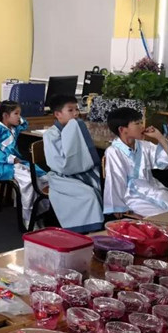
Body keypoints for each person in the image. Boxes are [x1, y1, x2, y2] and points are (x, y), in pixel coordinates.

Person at [42, 95, 103, 233]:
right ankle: (86, 230)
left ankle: (103, 223)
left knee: (104, 184)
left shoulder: (76, 129)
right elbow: (60, 164)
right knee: (88, 195)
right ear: (58, 114)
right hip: (62, 175)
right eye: (70, 110)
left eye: (76, 109)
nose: (76, 113)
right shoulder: (51, 135)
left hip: (80, 170)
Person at [104, 107, 168, 218]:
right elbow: (114, 179)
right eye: (137, 124)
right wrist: (117, 206)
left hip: (152, 189)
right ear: (122, 129)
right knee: (163, 216)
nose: (142, 126)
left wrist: (159, 137)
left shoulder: (144, 146)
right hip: (130, 196)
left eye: (141, 122)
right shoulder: (113, 152)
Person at [0, 100, 48, 228]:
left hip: (16, 163)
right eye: (16, 114)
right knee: (28, 182)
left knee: (43, 177)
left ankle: (38, 214)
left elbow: (24, 124)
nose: (19, 117)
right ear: (5, 116)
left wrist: (19, 119)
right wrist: (11, 159)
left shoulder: (13, 127)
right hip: (3, 166)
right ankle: (28, 219)